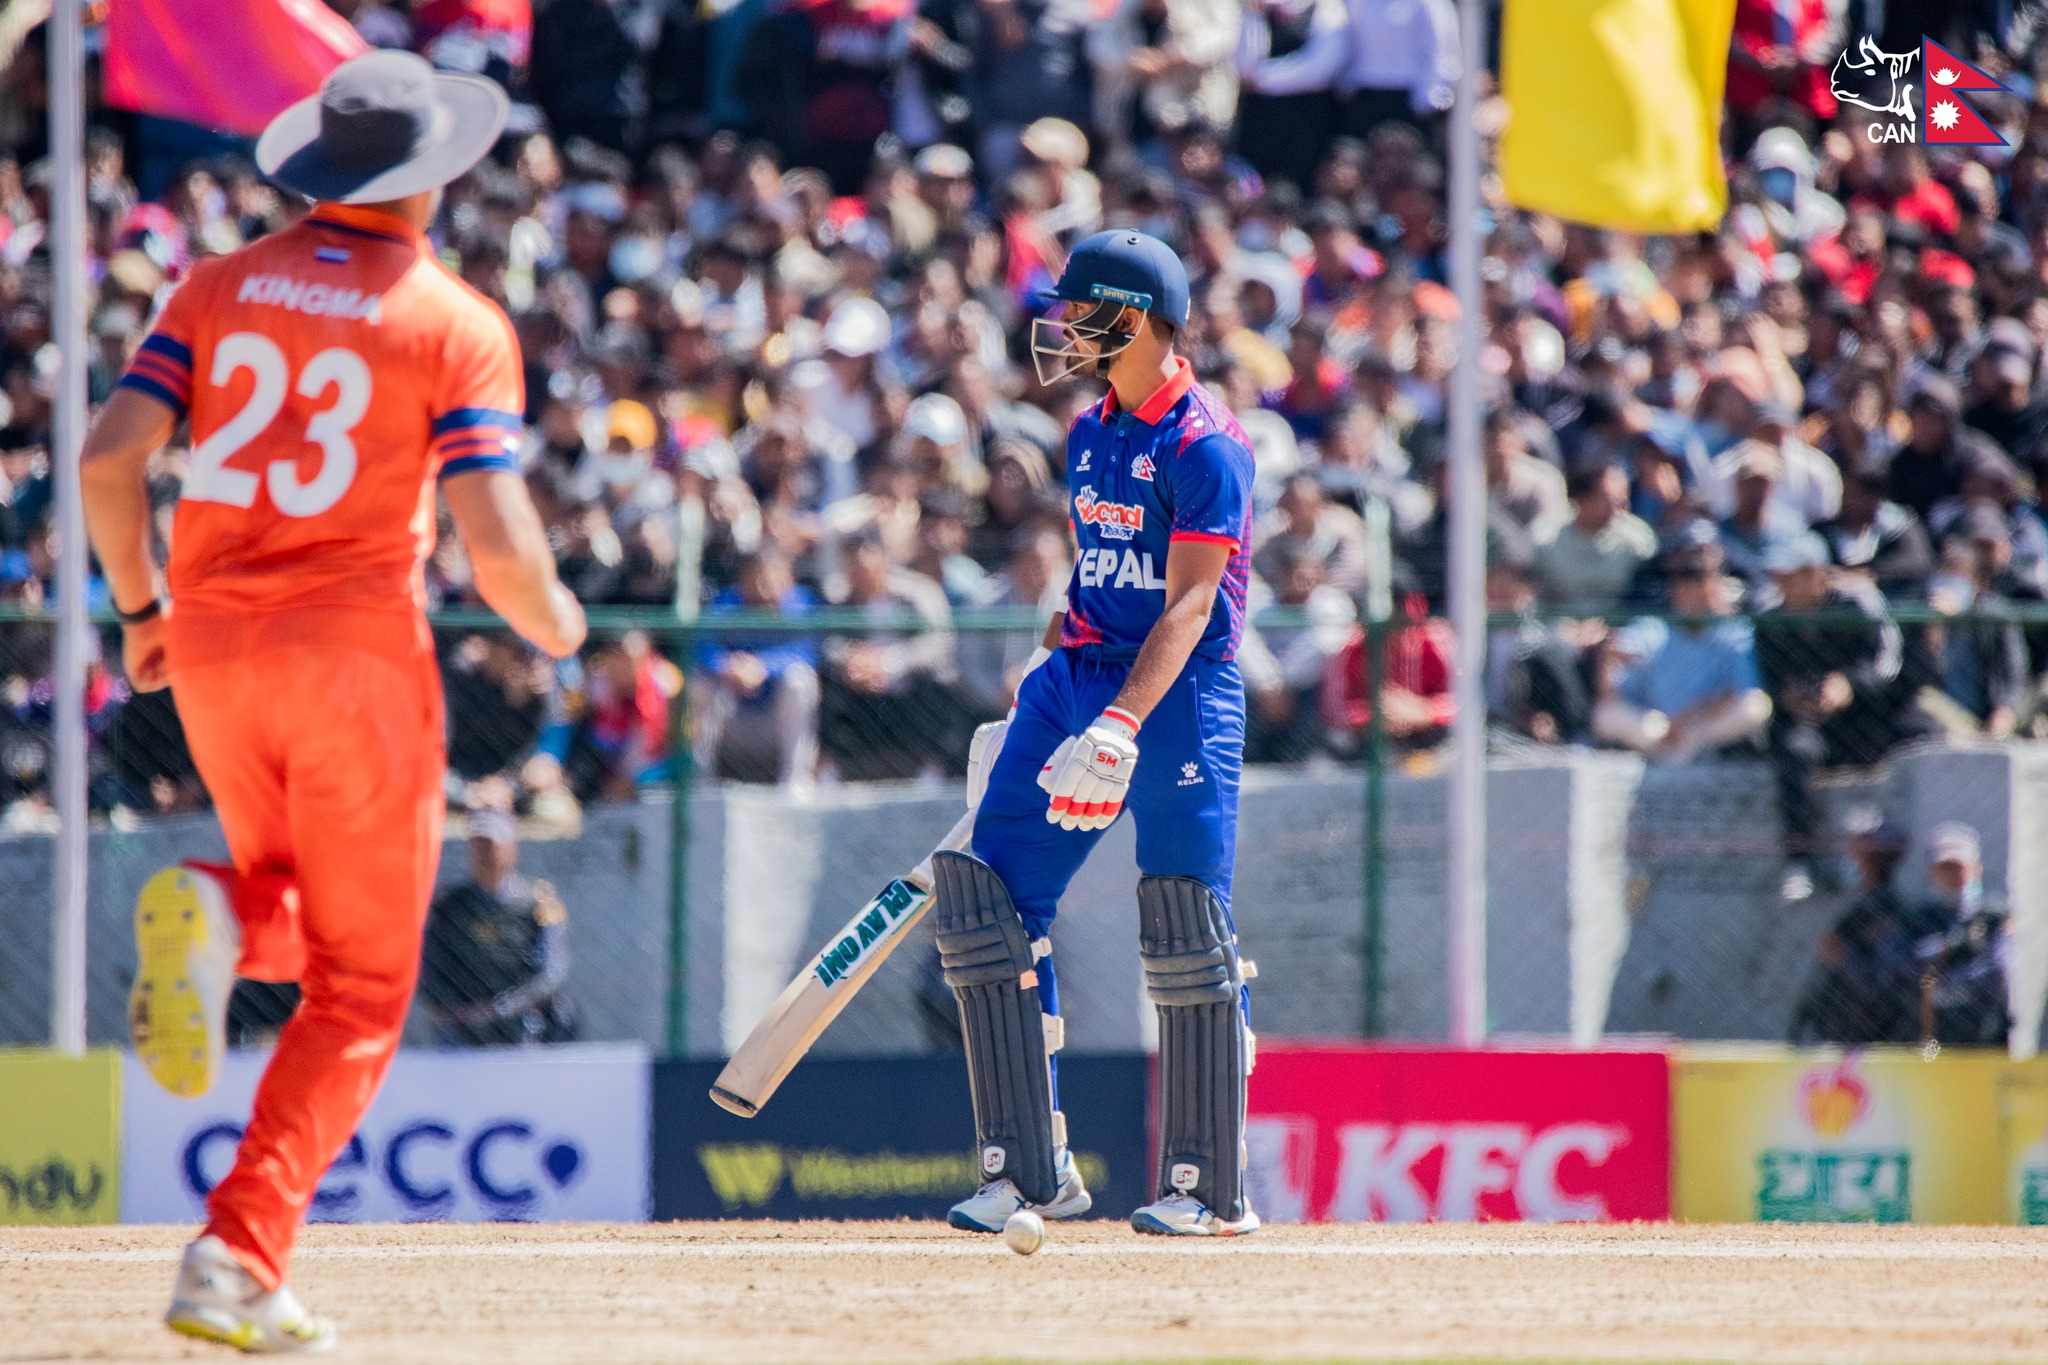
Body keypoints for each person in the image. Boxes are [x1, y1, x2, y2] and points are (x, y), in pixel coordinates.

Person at [80, 53, 586, 1352]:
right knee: (364, 984)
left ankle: (218, 917)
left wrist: (139, 610)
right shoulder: (454, 320)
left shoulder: (216, 283)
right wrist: (555, 623)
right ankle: (237, 1254)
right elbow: (498, 547)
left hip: (211, 649)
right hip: (355, 655)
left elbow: (108, 460)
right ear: (435, 176)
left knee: (307, 930)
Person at [943, 230, 1258, 1238]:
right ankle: (1026, 1171)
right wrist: (1038, 685)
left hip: (1175, 693)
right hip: (1075, 676)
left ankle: (1208, 1188)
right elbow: (1098, 572)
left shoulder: (1206, 445)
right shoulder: (1089, 430)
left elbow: (1192, 603)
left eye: (1082, 311)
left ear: (1134, 318)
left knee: (1184, 921)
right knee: (985, 902)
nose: (1065, 329)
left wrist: (1121, 724)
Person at [419, 802, 576, 1047]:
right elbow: (428, 966)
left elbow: (552, 970)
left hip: (522, 1020)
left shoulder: (539, 902)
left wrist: (503, 1008)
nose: (485, 854)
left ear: (512, 849)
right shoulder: (447, 904)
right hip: (461, 1022)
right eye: (479, 845)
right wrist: (456, 1008)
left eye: (492, 845)